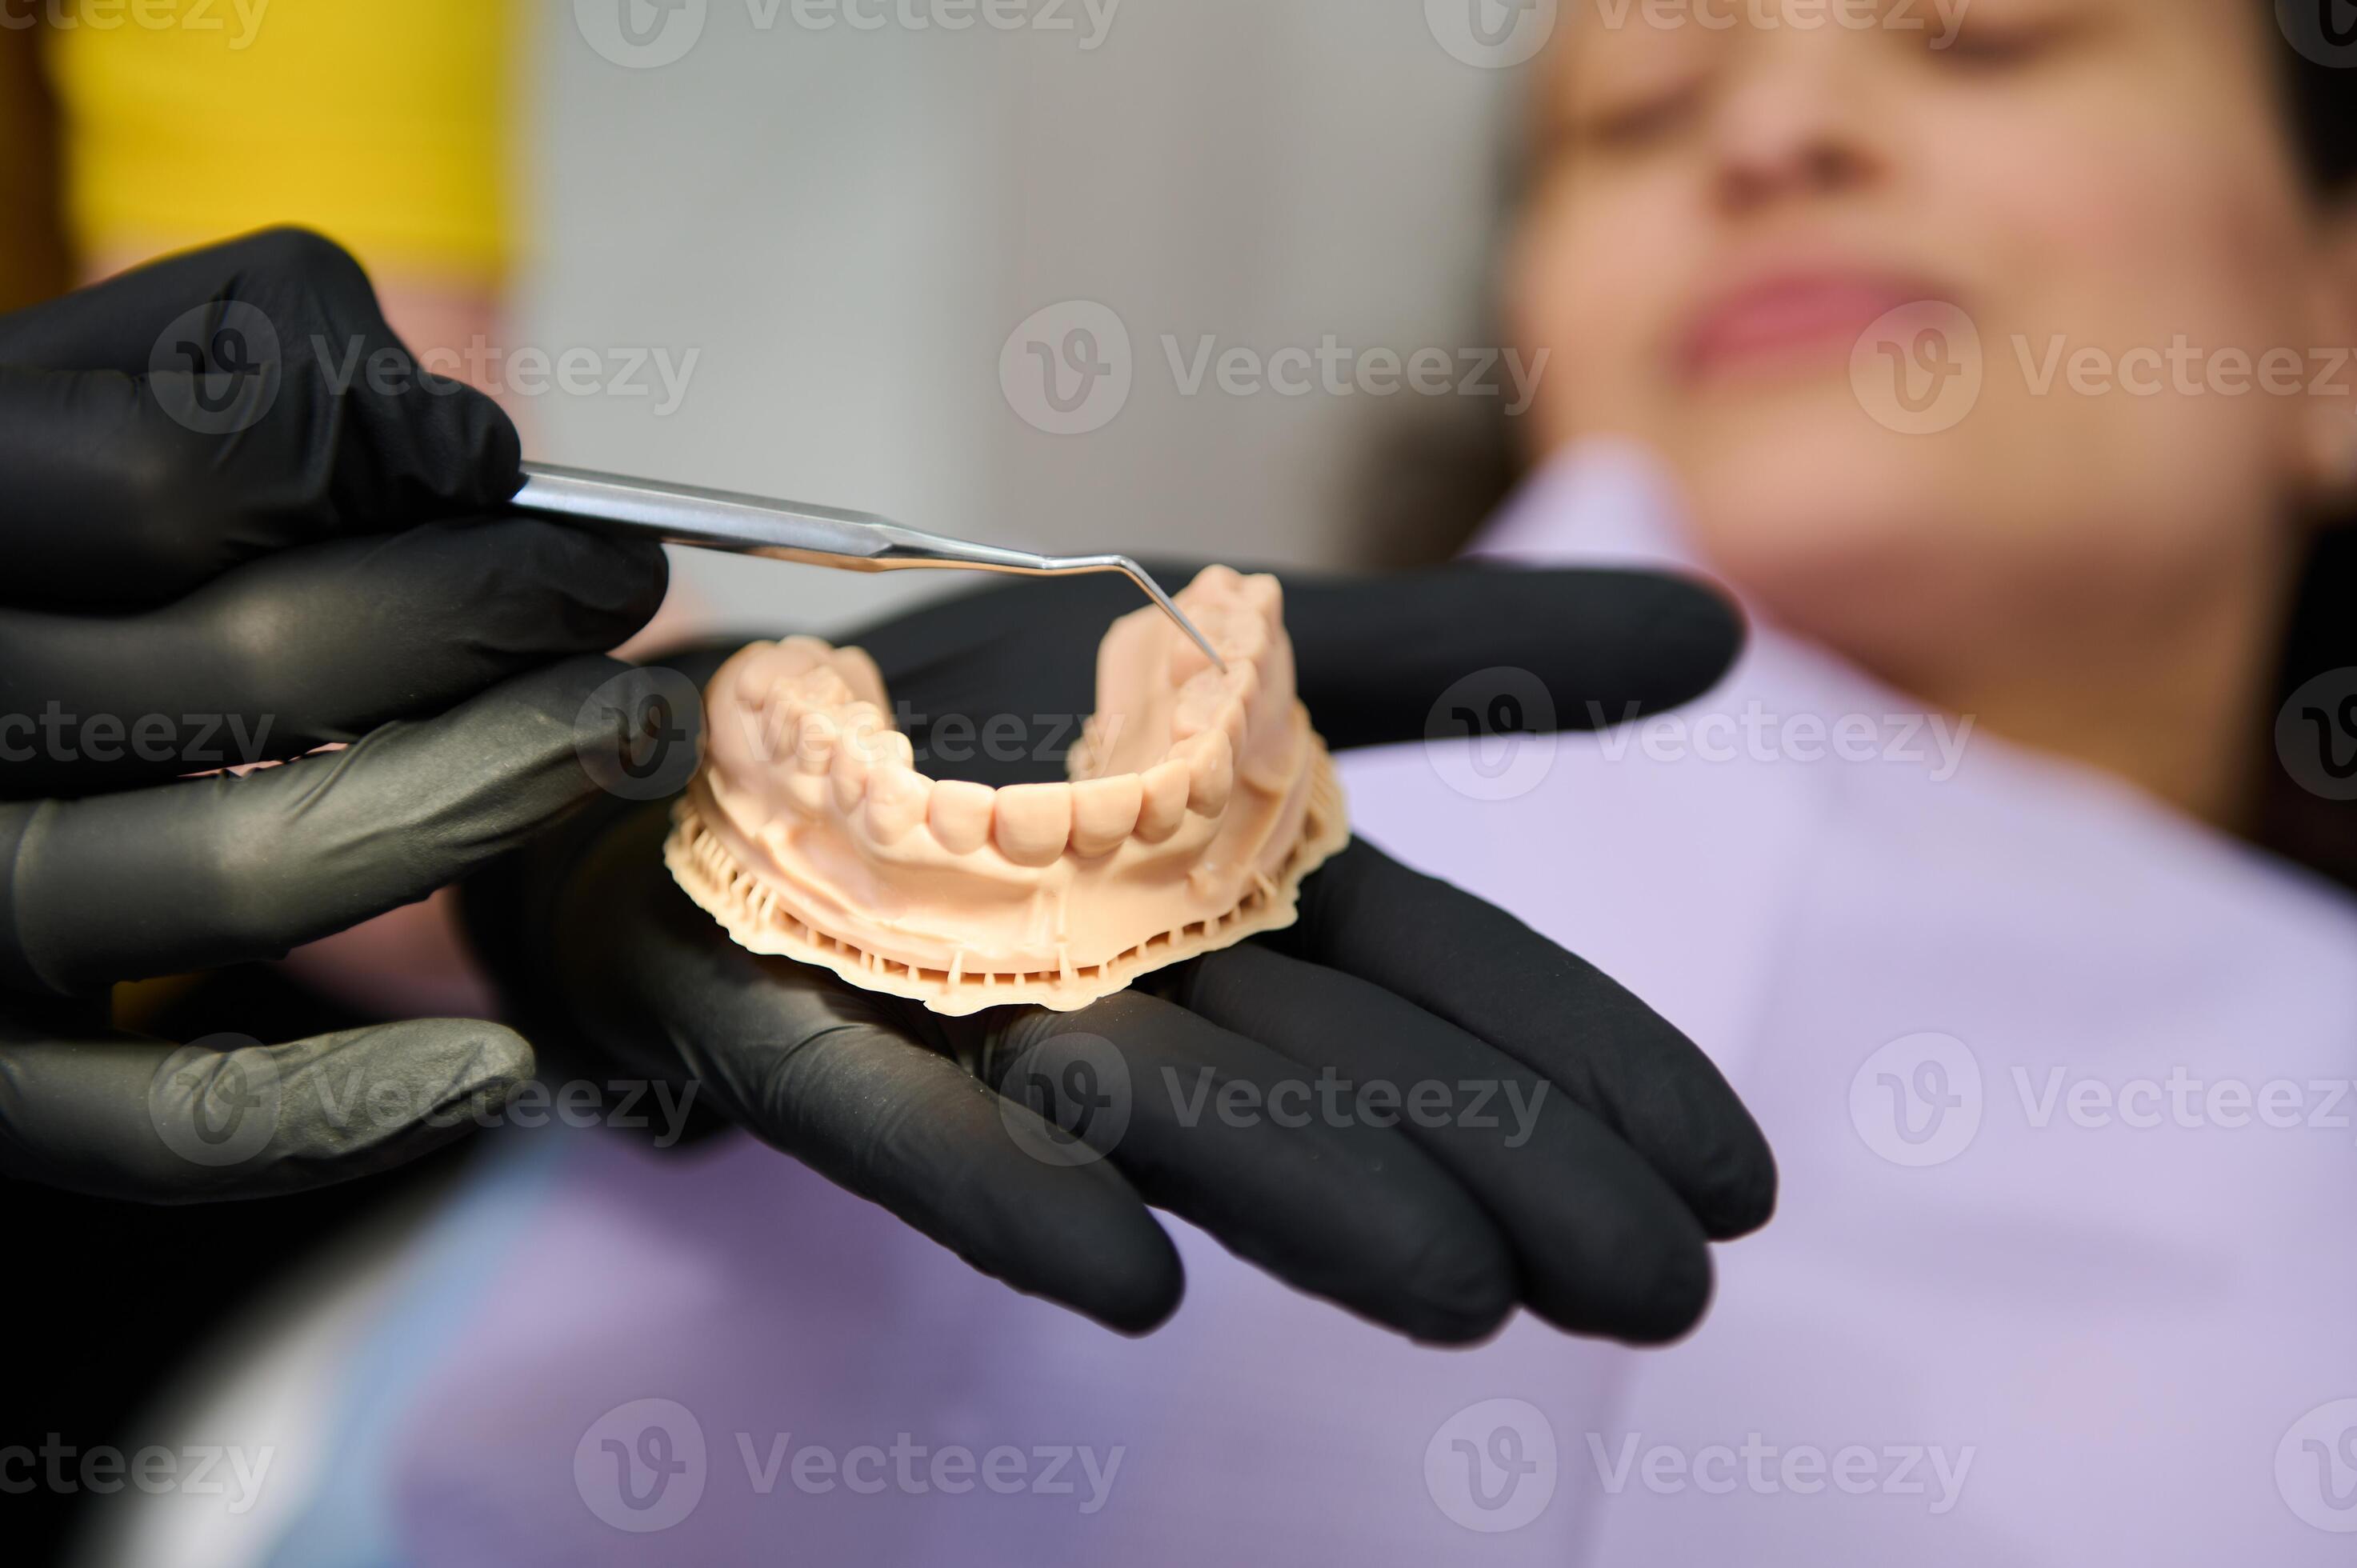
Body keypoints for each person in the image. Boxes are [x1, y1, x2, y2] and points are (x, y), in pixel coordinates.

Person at [166, 1, 2353, 1562]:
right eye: (1642, 105)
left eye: (1981, 40)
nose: (1770, 125)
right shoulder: (966, 814)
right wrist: (581, 855)